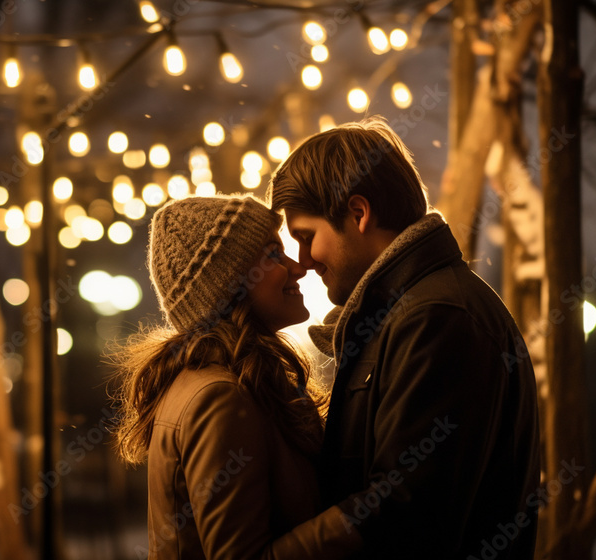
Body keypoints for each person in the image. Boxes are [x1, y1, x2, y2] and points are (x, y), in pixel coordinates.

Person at [268, 116, 540, 559]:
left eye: (306, 236)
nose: (303, 261)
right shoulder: (409, 312)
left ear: (359, 213)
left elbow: (401, 513)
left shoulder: (436, 317)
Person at [111, 194, 363, 558]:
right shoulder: (219, 397)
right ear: (230, 286)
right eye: (273, 255)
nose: (298, 267)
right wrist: (360, 516)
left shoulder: (243, 381)